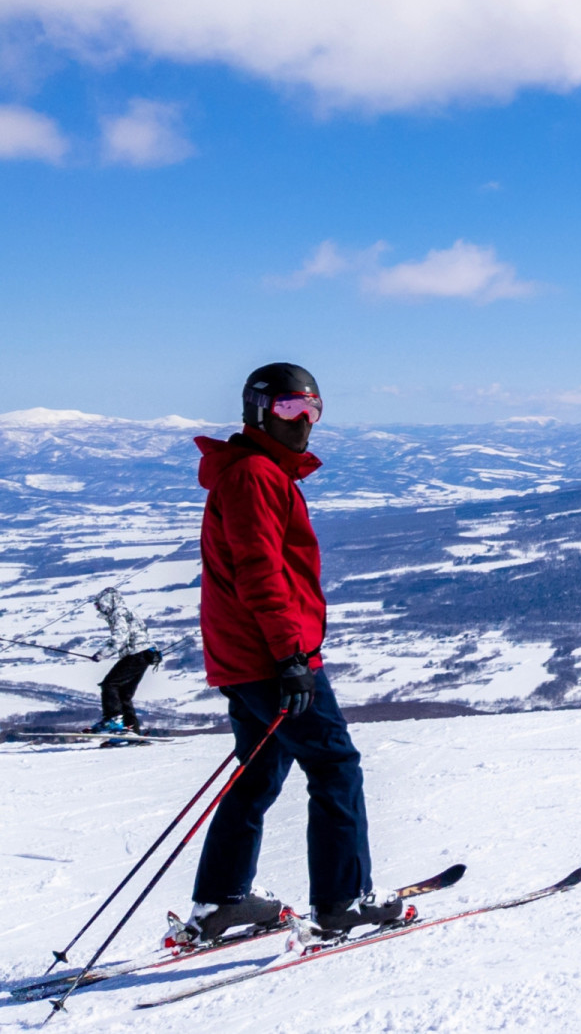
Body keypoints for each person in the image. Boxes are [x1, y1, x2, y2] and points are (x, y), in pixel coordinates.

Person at [177, 362, 403, 945]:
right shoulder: (254, 475)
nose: (303, 421)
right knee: (334, 766)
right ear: (257, 412)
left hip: (247, 657)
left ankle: (221, 902)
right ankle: (342, 903)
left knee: (258, 773)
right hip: (271, 658)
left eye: (312, 409)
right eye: (287, 408)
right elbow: (260, 573)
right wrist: (291, 659)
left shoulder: (256, 472)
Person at [90, 587, 162, 735]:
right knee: (124, 694)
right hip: (145, 655)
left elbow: (120, 637)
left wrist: (101, 654)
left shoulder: (118, 613)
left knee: (110, 684)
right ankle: (131, 731)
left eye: (98, 605)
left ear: (107, 602)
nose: (98, 609)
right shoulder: (128, 612)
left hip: (135, 654)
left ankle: (113, 719)